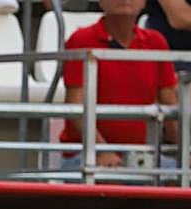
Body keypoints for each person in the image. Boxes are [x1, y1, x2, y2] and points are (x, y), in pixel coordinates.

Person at [59, 0, 183, 169]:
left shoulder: (156, 43)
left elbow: (169, 105)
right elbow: (75, 106)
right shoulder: (81, 40)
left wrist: (185, 153)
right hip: (84, 153)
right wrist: (102, 151)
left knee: (190, 178)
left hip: (142, 157)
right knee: (107, 178)